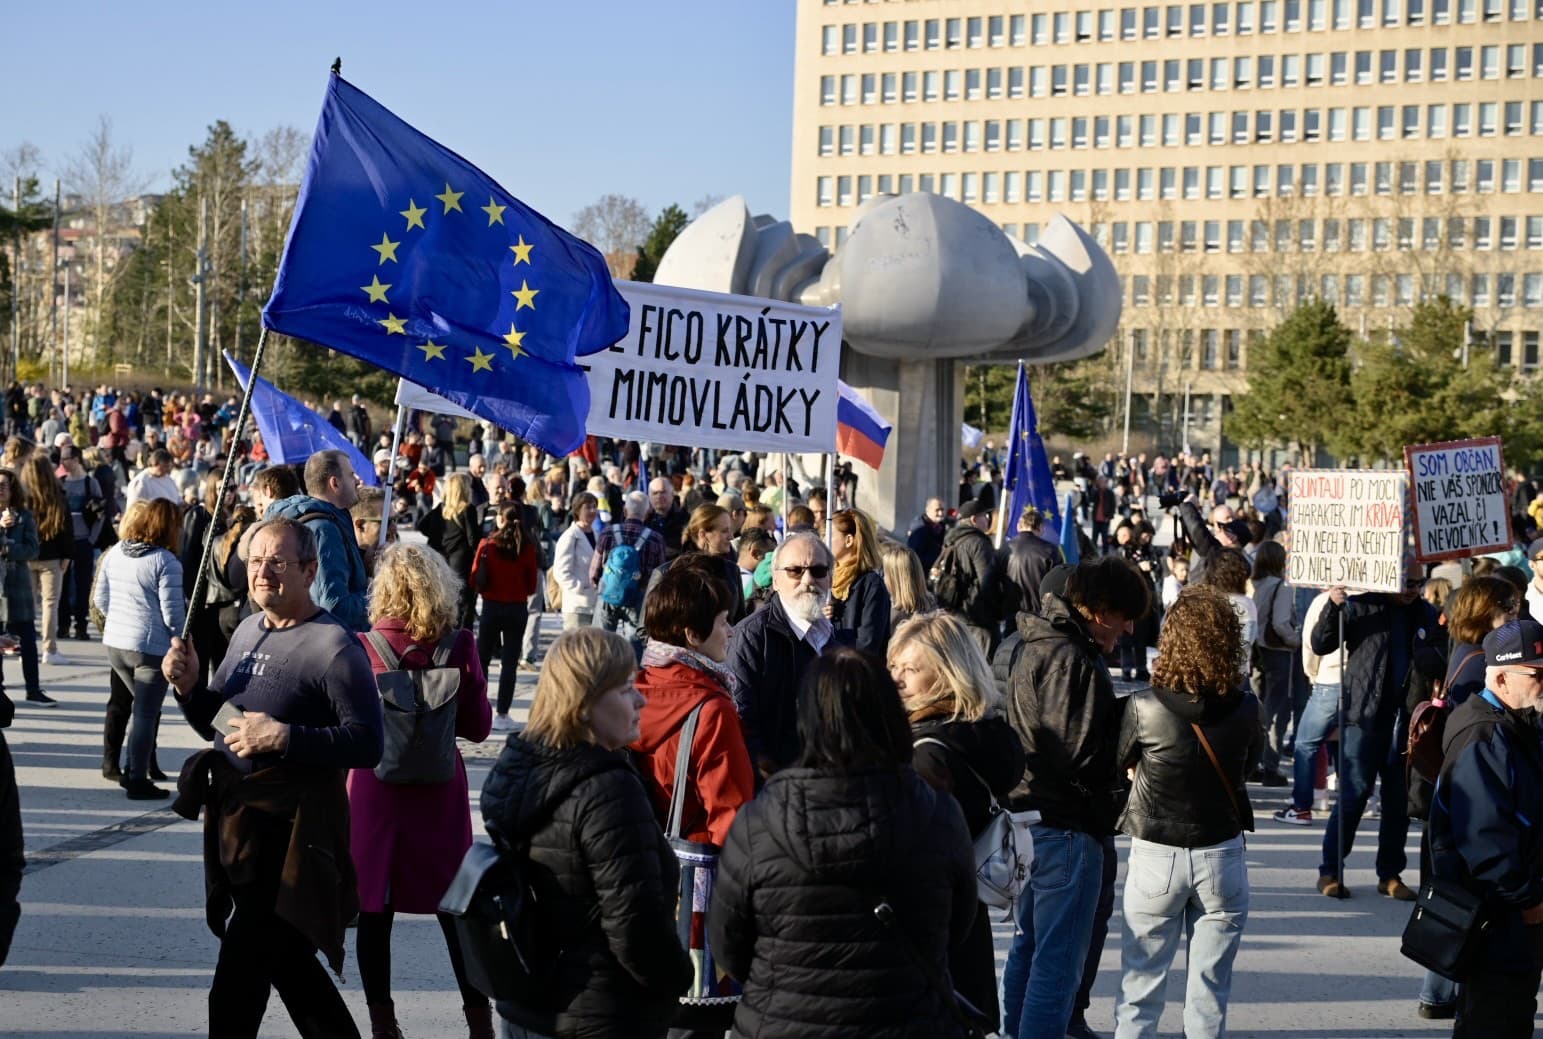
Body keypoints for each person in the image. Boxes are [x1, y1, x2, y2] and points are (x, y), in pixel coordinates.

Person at [162, 516, 384, 1039]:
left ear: (309, 570)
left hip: (294, 839)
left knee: (238, 982)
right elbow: (224, 728)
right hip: (242, 833)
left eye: (277, 562)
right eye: (255, 560)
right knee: (290, 968)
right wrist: (193, 689)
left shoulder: (335, 647)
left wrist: (286, 738)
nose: (262, 572)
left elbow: (368, 745)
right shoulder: (247, 627)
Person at [709, 647, 978, 1038]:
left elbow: (730, 947)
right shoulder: (940, 815)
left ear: (809, 718)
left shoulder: (758, 823)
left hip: (782, 1021)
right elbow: (957, 925)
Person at [480, 627, 692, 1038]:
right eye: (627, 689)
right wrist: (678, 979)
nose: (640, 699)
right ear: (584, 704)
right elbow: (636, 927)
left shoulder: (523, 766)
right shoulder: (607, 788)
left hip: (529, 1006)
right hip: (600, 1012)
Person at [1001, 555, 1151, 1039]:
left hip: (1036, 817)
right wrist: (1129, 733)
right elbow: (1076, 753)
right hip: (1064, 824)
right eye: (1124, 618)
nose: (1127, 630)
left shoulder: (1045, 644)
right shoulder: (1068, 655)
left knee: (1032, 949)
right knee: (1056, 962)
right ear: (1099, 609)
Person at [349, 542, 494, 1039]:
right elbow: (477, 728)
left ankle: (383, 1025)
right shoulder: (460, 645)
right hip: (439, 794)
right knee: (454, 910)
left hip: (375, 791)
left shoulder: (362, 646)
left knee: (374, 908)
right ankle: (479, 1023)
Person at [1114, 586, 1262, 1038]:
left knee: (1139, 990)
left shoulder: (1143, 705)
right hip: (1220, 850)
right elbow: (1248, 767)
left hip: (1158, 851)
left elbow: (1119, 764)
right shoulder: (1245, 706)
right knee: (1208, 996)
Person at [630, 562, 755, 1039]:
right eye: (723, 620)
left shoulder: (636, 685)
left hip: (639, 870)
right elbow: (733, 817)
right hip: (697, 883)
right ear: (691, 633)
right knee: (696, 1014)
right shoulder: (712, 707)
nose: (730, 629)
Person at [889, 612, 1026, 1034]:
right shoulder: (982, 733)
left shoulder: (928, 752)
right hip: (968, 924)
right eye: (892, 667)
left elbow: (916, 854)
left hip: (928, 934)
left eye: (909, 670)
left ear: (946, 675)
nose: (895, 679)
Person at [1428, 617, 1543, 1037]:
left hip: (1510, 909)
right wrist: (1528, 901)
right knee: (1495, 1020)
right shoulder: (1483, 733)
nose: (1542, 684)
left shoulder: (1515, 722)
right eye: (1535, 675)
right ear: (1500, 676)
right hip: (1499, 915)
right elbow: (1485, 837)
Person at [1309, 578, 1441, 899]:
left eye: (1418, 582)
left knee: (1398, 801)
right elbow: (1321, 643)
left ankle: (1390, 874)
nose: (1412, 589)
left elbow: (1440, 657)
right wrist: (1334, 606)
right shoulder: (1363, 605)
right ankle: (1330, 871)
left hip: (1407, 722)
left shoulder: (1426, 613)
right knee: (1354, 795)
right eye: (1407, 582)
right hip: (1364, 716)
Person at [729, 531, 854, 777]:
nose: (808, 580)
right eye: (795, 571)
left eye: (818, 571)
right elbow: (742, 723)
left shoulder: (834, 637)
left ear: (829, 578)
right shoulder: (751, 636)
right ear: (775, 580)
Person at [94, 499, 186, 800]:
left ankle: (133, 767)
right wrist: (182, 639)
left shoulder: (115, 552)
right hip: (148, 646)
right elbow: (173, 616)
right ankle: (137, 778)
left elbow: (100, 601)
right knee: (146, 713)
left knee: (138, 710)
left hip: (115, 643)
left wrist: (118, 622)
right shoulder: (166, 562)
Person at [265, 450, 369, 632]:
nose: (357, 481)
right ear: (335, 483)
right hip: (333, 644)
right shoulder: (323, 529)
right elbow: (335, 607)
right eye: (351, 475)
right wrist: (378, 594)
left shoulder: (323, 521)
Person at [473, 503, 539, 733]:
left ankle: (479, 708)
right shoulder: (527, 547)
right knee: (509, 663)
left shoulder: (487, 544)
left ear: (501, 519)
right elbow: (532, 585)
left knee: (482, 661)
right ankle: (503, 712)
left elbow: (475, 579)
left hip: (492, 606)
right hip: (517, 608)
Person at [1251, 541, 1302, 785]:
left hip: (1258, 650)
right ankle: (1270, 764)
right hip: (1278, 650)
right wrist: (1296, 640)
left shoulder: (1255, 585)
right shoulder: (1282, 587)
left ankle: (1253, 762)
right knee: (1277, 714)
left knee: (1258, 708)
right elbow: (1281, 623)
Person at [589, 491, 666, 649]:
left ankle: (601, 672)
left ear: (625, 510)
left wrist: (602, 586)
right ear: (647, 512)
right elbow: (659, 578)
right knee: (634, 646)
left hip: (608, 595)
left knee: (601, 643)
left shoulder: (608, 532)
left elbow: (594, 570)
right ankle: (631, 672)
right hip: (639, 598)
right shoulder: (656, 539)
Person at [0, 468, 47, 707]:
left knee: (27, 638)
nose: (1, 489)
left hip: (17, 585)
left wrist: (9, 549)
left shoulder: (24, 516)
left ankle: (33, 688)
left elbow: (33, 549)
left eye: (5, 484)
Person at [21, 454, 72, 665]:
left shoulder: (22, 498)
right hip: (52, 556)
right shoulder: (57, 495)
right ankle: (49, 649)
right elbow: (66, 527)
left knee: (27, 606)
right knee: (50, 603)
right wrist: (67, 554)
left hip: (26, 555)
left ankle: (25, 647)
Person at [934, 497, 1000, 653]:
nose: (988, 520)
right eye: (985, 516)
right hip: (978, 616)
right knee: (983, 667)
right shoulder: (978, 542)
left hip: (955, 612)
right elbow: (988, 580)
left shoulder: (951, 539)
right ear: (974, 519)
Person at [824, 508, 892, 655]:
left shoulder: (872, 585)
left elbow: (867, 643)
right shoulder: (825, 578)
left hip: (856, 672)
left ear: (848, 540)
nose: (824, 541)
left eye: (829, 535)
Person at [419, 472, 482, 629]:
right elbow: (473, 539)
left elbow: (421, 525)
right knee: (463, 603)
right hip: (461, 562)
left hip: (439, 560)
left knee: (441, 600)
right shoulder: (468, 510)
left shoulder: (440, 509)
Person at [57, 443, 104, 641]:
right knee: (63, 585)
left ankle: (81, 625)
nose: (62, 463)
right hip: (65, 542)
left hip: (84, 541)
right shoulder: (61, 483)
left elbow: (101, 514)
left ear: (75, 459)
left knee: (83, 585)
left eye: (65, 459)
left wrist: (91, 539)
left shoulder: (90, 483)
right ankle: (63, 625)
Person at [997, 505, 1061, 621]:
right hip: (1041, 616)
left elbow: (993, 581)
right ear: (1041, 528)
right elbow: (1058, 585)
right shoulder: (1050, 551)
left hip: (1012, 614)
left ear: (1018, 526)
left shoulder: (1005, 549)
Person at [551, 490, 599, 630]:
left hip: (594, 604)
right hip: (577, 606)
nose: (592, 510)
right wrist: (579, 587)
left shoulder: (597, 534)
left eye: (594, 506)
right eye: (588, 507)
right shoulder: (570, 536)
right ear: (577, 510)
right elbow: (560, 571)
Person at [879, 539, 933, 630]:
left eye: (885, 574)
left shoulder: (892, 616)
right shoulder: (931, 605)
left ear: (895, 579)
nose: (883, 578)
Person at [646, 475, 689, 561]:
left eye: (663, 492)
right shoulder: (643, 520)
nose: (659, 496)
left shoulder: (685, 519)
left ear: (672, 494)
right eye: (655, 493)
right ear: (649, 497)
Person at [906, 497, 948, 573]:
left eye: (942, 510)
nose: (941, 513)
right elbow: (914, 555)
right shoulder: (919, 528)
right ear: (928, 510)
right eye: (937, 510)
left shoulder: (941, 526)